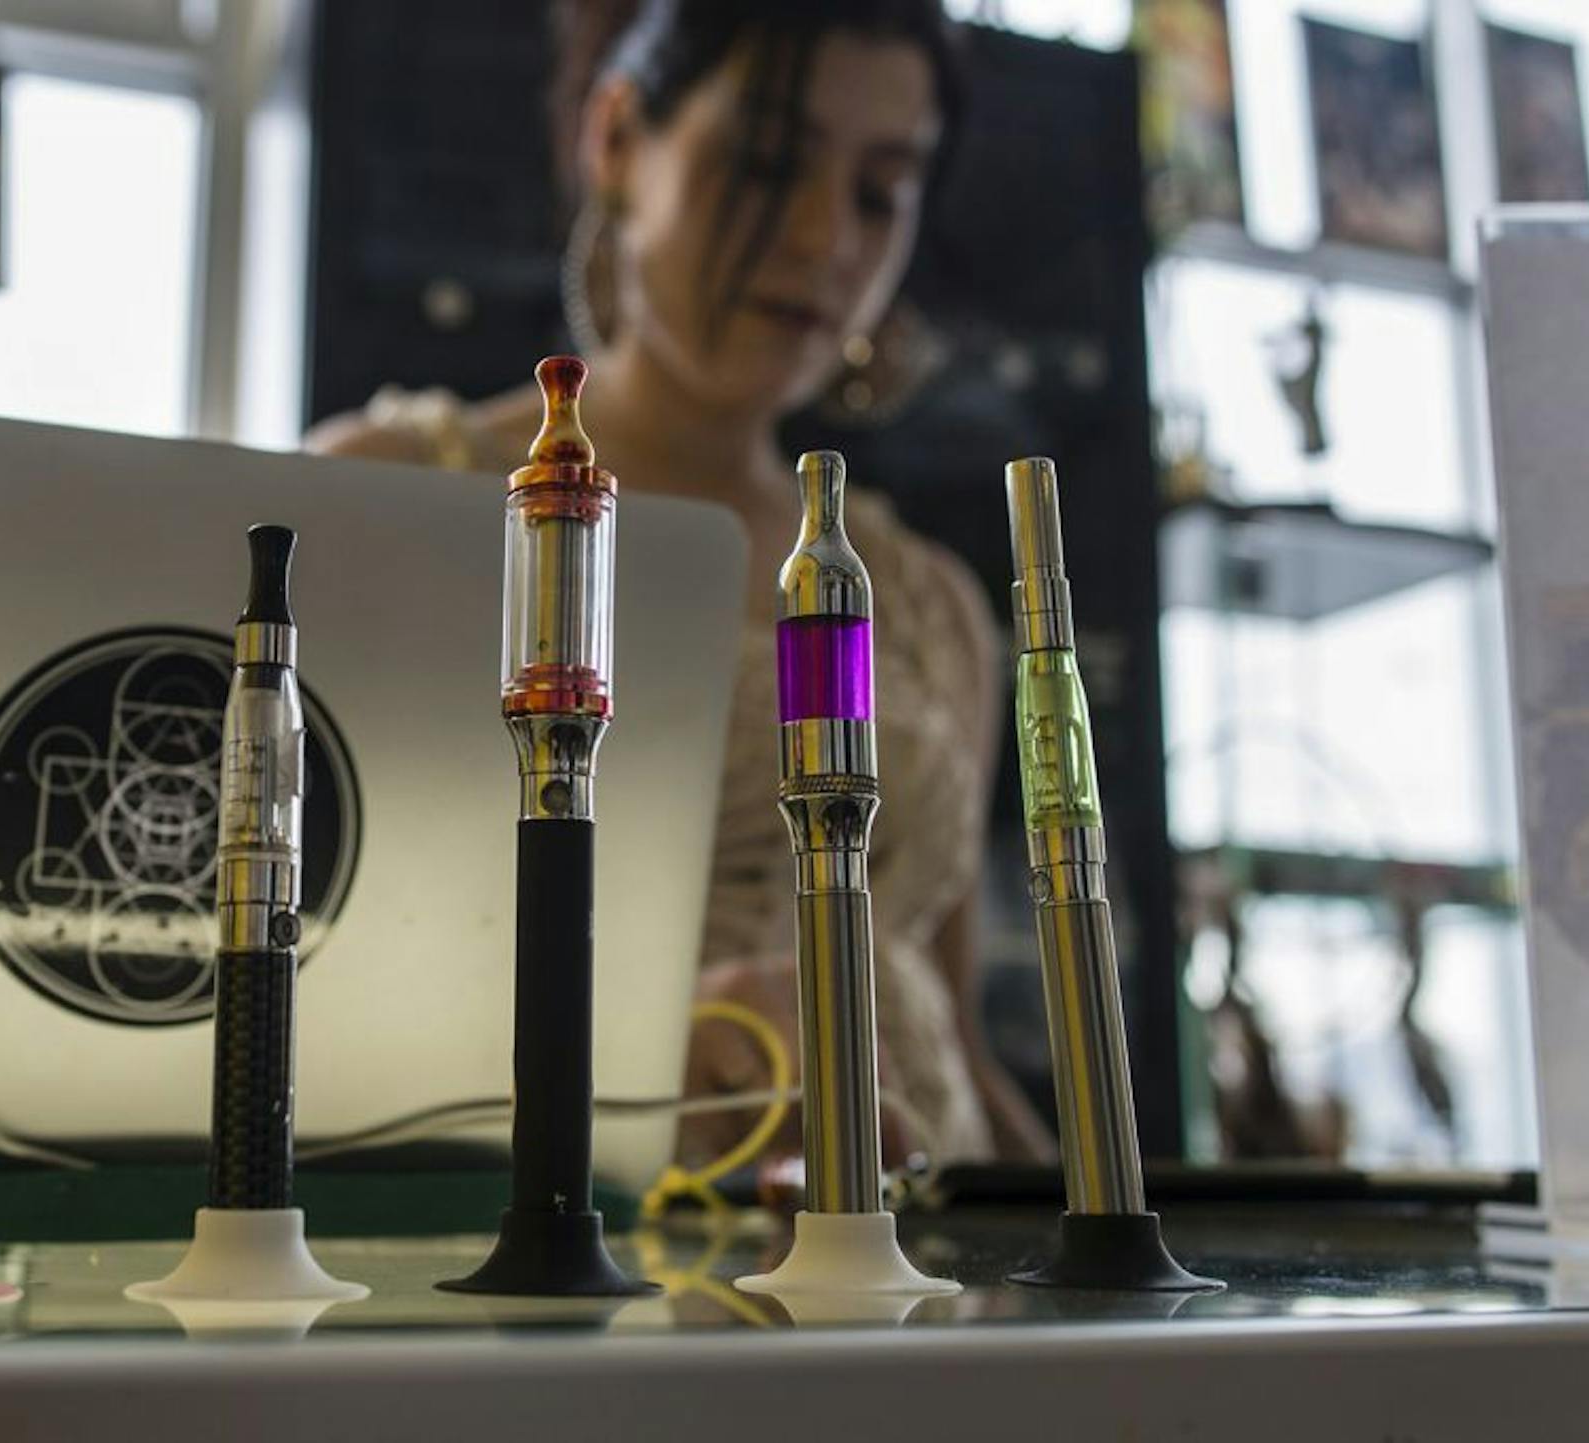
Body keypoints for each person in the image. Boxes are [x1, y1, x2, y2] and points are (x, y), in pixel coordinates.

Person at [310, 0, 1051, 1168]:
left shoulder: (926, 604)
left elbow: (949, 1028)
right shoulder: (402, 494)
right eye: (768, 159)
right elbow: (283, 972)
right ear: (618, 140)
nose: (822, 236)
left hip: (921, 1263)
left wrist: (1089, 1261)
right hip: (565, 1260)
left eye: (879, 190)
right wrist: (656, 1041)